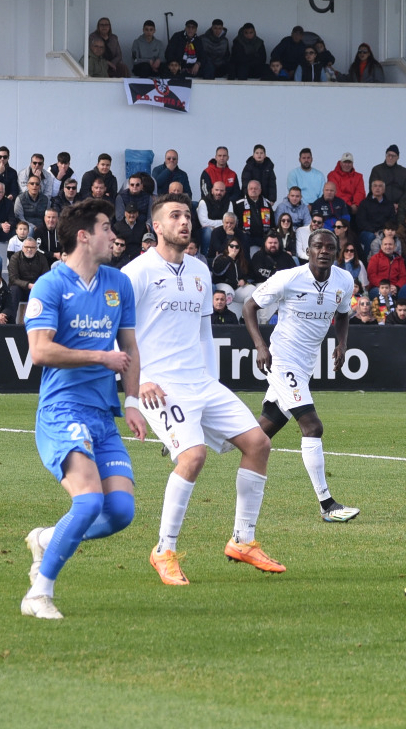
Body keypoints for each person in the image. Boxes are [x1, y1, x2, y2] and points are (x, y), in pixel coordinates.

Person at [124, 194, 285, 586]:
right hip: (159, 385)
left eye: (186, 215)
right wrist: (135, 388)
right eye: (174, 216)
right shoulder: (136, 272)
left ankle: (242, 541)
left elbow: (203, 333)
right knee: (193, 457)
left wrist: (211, 380)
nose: (184, 222)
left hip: (199, 380)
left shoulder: (199, 271)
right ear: (156, 227)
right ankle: (164, 550)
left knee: (258, 444)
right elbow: (118, 334)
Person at [18, 198, 144, 620]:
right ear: (85, 236)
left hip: (101, 413)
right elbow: (39, 351)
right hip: (61, 410)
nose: (115, 235)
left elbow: (128, 346)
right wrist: (98, 358)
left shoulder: (117, 283)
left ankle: (48, 538)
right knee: (89, 503)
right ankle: (38, 593)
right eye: (107, 227)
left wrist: (133, 400)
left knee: (121, 513)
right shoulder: (50, 285)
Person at [241, 228, 360, 523]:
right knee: (313, 426)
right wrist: (260, 345)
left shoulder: (344, 280)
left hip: (305, 365)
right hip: (282, 361)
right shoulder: (288, 278)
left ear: (337, 251)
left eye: (329, 247)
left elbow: (343, 312)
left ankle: (189, 434)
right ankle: (327, 505)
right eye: (317, 246)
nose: (323, 251)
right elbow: (249, 306)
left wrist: (342, 343)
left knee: (257, 435)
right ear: (307, 251)